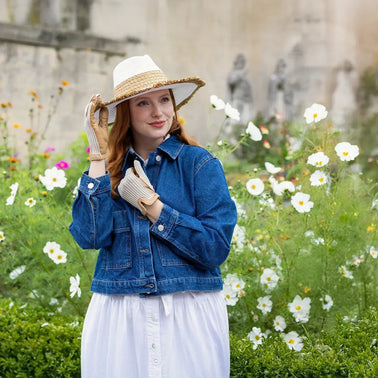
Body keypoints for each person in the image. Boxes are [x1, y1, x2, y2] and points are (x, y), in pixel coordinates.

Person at [69, 54, 237, 378]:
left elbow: (215, 248)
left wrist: (153, 208)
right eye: (143, 104)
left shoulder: (199, 165)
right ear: (126, 113)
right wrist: (97, 156)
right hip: (119, 317)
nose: (159, 112)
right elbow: (90, 237)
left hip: (189, 314)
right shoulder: (110, 175)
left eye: (164, 100)